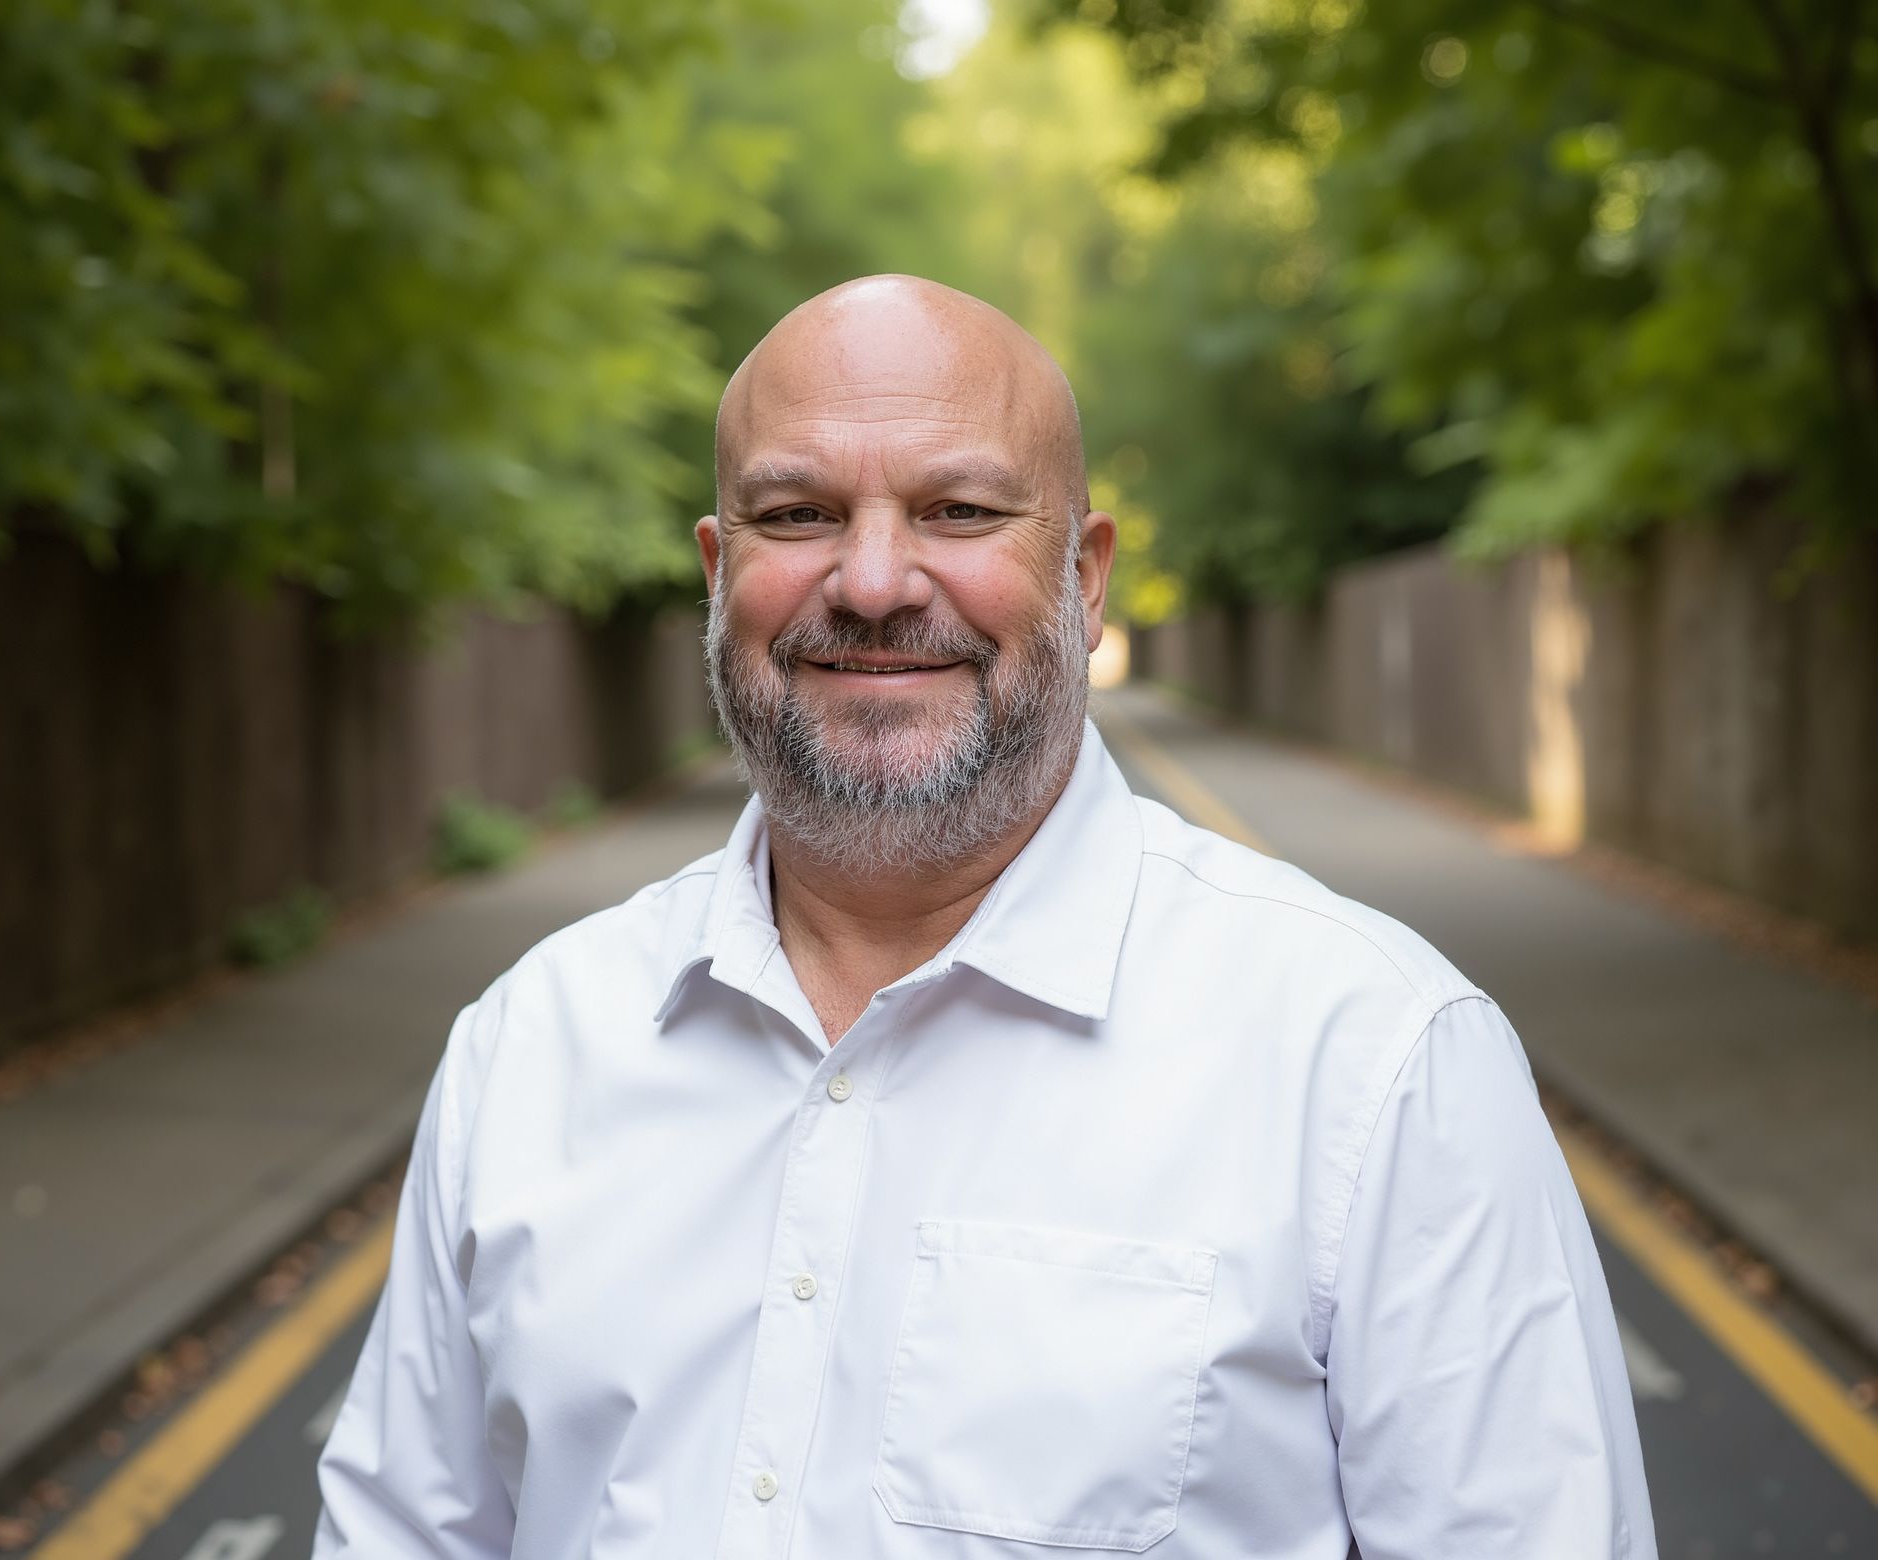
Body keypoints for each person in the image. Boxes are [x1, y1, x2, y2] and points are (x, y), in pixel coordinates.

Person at [313, 275, 1656, 1558]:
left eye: (958, 510)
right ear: (717, 573)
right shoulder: (529, 1048)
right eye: (798, 515)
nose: (877, 582)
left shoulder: (1372, 1061)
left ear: (1084, 573)